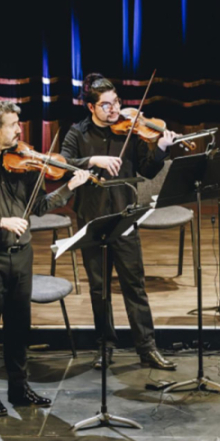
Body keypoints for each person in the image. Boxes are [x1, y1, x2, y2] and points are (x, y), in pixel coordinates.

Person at [0, 101, 92, 415]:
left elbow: (38, 207)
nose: (19, 130)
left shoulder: (24, 160)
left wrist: (69, 186)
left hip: (22, 254)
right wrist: (0, 221)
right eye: (13, 124)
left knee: (19, 326)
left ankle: (19, 389)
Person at [61, 73, 177, 371]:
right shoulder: (78, 133)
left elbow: (149, 171)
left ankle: (147, 348)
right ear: (91, 107)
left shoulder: (130, 131)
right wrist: (92, 161)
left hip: (125, 219)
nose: (114, 111)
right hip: (93, 220)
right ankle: (105, 346)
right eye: (105, 106)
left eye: (116, 103)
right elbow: (61, 164)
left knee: (134, 286)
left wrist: (161, 148)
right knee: (99, 289)